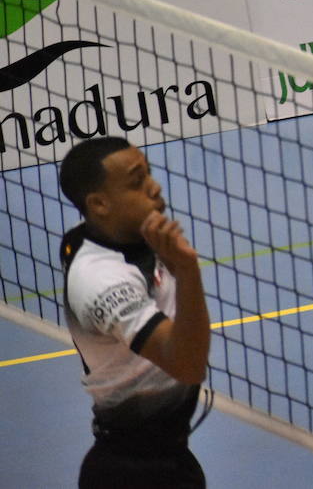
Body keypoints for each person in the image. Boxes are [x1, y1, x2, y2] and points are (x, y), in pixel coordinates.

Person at [58, 136, 212, 488]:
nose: (154, 187)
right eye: (136, 181)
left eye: (149, 173)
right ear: (99, 203)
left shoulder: (107, 235)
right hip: (132, 475)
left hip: (169, 456)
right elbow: (187, 364)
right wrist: (187, 271)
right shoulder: (101, 281)